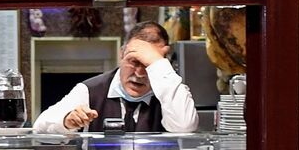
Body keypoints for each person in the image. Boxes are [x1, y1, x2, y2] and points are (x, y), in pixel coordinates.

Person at [33, 20, 199, 134]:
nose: (140, 74)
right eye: (134, 62)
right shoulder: (91, 90)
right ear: (121, 54)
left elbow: (184, 126)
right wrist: (66, 121)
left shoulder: (171, 90)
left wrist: (159, 64)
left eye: (148, 65)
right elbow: (40, 126)